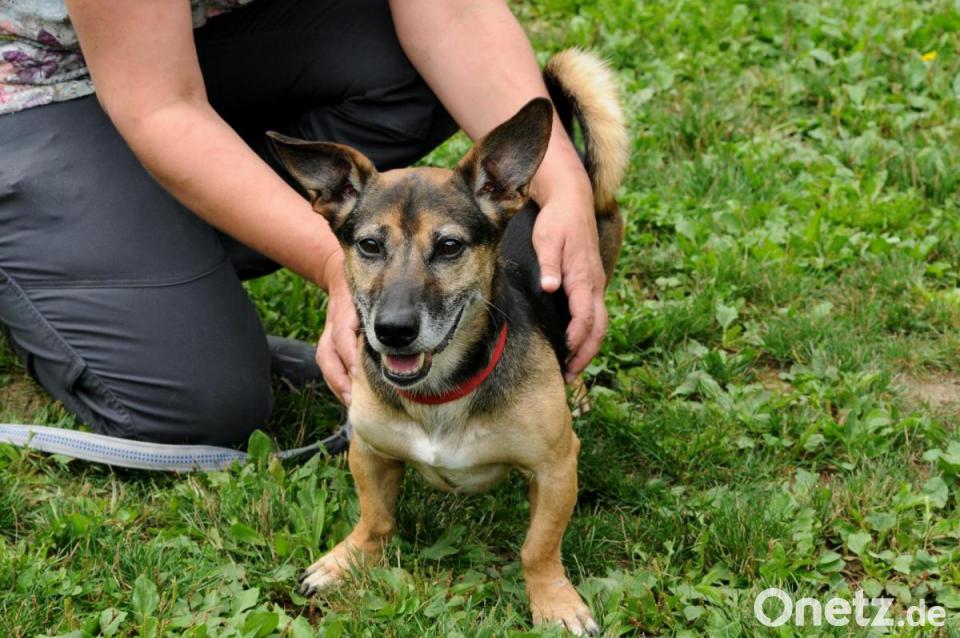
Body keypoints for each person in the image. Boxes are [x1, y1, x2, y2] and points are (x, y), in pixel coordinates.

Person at [0, 0, 609, 446]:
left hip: (199, 33)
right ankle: (68, 267)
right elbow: (159, 104)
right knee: (201, 403)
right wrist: (331, 265)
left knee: (409, 66)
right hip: (38, 82)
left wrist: (565, 187)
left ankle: (144, 261)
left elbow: (453, 16)